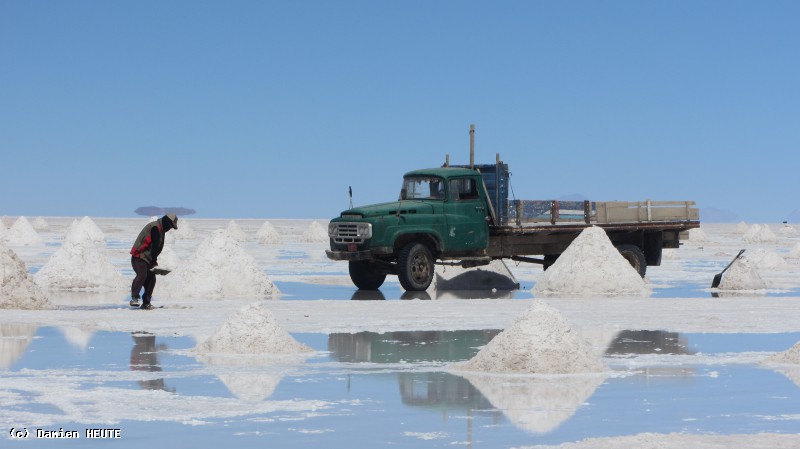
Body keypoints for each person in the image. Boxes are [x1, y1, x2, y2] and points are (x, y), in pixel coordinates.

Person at [129, 214, 178, 309]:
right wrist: (154, 262)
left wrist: (153, 262)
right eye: (171, 226)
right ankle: (134, 298)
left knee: (151, 279)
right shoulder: (155, 228)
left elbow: (154, 248)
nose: (170, 228)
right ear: (167, 222)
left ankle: (146, 303)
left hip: (147, 259)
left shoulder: (161, 229)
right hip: (138, 257)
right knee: (142, 275)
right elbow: (155, 246)